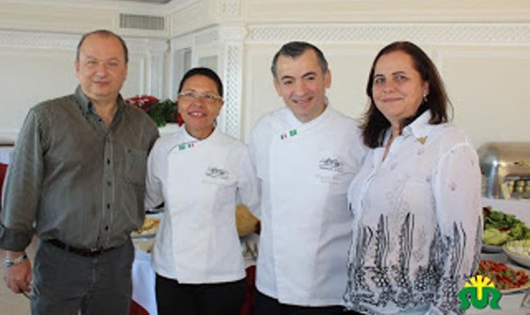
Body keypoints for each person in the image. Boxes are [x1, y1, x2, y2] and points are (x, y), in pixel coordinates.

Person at [0, 29, 159, 315]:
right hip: (60, 260)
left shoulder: (143, 126)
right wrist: (13, 256)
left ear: (125, 70)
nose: (101, 71)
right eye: (91, 62)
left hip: (117, 261)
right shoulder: (46, 118)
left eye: (112, 63)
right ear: (77, 67)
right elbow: (21, 189)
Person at [342, 41, 482, 315]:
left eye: (401, 78)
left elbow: (464, 247)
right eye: (379, 80)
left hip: (415, 309)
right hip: (358, 304)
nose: (388, 87)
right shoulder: (375, 144)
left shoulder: (449, 145)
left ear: (426, 86)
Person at [249, 41, 367, 315]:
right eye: (288, 81)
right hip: (272, 286)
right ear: (277, 87)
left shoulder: (355, 137)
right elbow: (256, 196)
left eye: (310, 78)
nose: (300, 91)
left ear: (327, 78)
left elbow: (365, 212)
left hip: (330, 292)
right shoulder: (265, 129)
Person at [145, 67, 260, 315]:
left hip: (222, 275)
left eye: (209, 97)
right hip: (171, 271)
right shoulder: (162, 148)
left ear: (220, 106)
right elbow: (151, 198)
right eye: (189, 95)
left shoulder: (238, 152)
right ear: (179, 102)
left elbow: (257, 204)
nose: (198, 103)